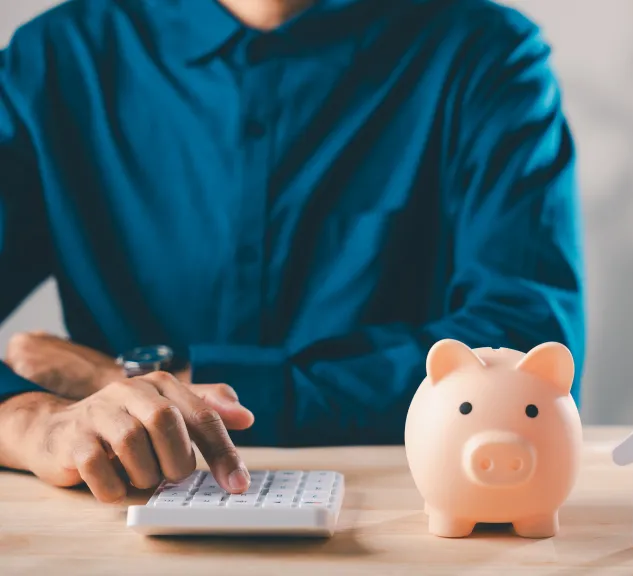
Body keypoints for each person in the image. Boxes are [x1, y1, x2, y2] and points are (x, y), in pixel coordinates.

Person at [0, 0, 585, 504]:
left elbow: (526, 359)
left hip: (417, 517)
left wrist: (149, 380)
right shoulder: (55, 60)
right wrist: (26, 416)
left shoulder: (483, 56)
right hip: (120, 507)